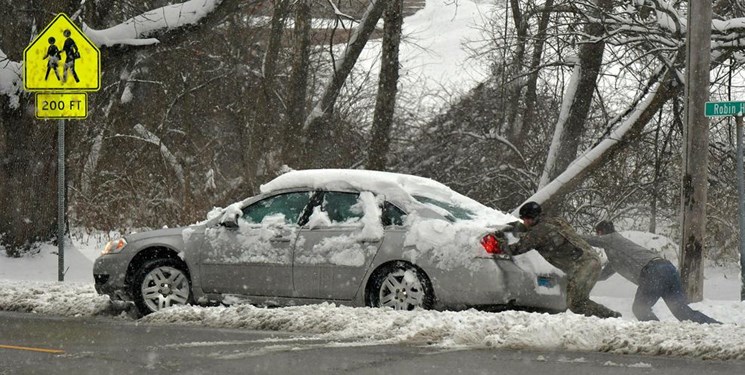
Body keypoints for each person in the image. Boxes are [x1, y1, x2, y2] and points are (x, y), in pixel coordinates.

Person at [587, 221, 720, 324]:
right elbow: (603, 275)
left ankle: (657, 333)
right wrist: (582, 277)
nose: (598, 236)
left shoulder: (612, 238)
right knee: (682, 311)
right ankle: (717, 326)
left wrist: (568, 235)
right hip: (667, 269)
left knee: (640, 308)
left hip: (653, 271)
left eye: (598, 233)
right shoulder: (616, 257)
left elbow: (589, 240)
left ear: (601, 232)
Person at [507, 202, 621, 319]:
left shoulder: (539, 231)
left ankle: (611, 317)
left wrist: (499, 244)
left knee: (576, 303)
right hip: (589, 260)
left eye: (525, 219)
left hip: (585, 265)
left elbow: (518, 248)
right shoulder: (554, 221)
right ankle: (607, 318)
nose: (524, 222)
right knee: (575, 300)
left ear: (532, 218)